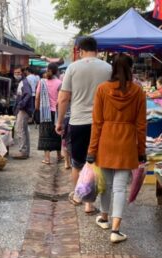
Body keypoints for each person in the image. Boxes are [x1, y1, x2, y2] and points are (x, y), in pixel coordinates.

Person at [86, 54, 147, 244]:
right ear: (131, 69)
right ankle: (115, 229)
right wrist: (141, 150)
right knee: (120, 188)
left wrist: (92, 149)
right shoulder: (138, 92)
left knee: (106, 184)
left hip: (105, 141)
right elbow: (141, 125)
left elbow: (96, 123)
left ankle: (104, 217)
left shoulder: (102, 89)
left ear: (113, 68)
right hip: (127, 143)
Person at [56, 36, 112, 215]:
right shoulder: (108, 68)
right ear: (97, 50)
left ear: (80, 50)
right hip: (102, 123)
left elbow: (64, 98)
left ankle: (81, 197)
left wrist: (59, 121)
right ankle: (91, 203)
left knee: (78, 163)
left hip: (78, 121)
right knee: (98, 162)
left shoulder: (73, 68)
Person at [36, 63, 62, 165]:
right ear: (57, 71)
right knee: (58, 134)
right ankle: (59, 156)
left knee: (45, 134)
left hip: (44, 112)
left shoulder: (42, 82)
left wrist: (37, 109)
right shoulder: (60, 83)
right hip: (56, 111)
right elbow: (61, 99)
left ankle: (47, 159)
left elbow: (37, 97)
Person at [12, 66, 34, 159]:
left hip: (24, 110)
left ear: (22, 73)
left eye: (19, 73)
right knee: (24, 130)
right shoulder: (22, 82)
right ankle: (25, 151)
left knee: (19, 129)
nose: (17, 74)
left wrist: (21, 105)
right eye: (15, 73)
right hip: (24, 109)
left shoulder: (24, 82)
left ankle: (23, 151)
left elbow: (28, 94)